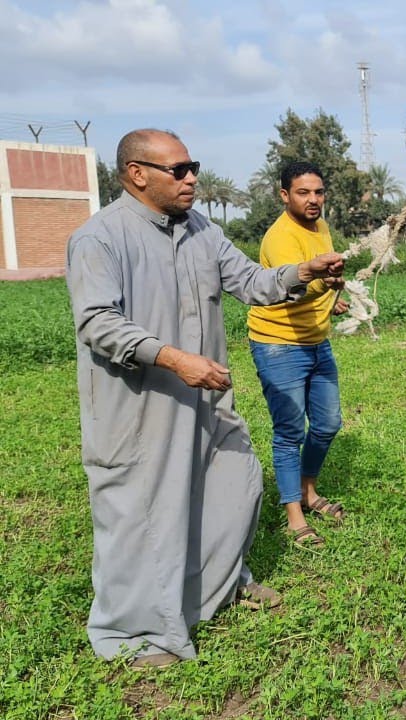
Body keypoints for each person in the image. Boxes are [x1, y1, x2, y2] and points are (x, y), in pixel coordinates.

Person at [66, 129, 344, 668]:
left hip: (206, 396)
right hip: (140, 402)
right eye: (179, 169)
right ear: (137, 174)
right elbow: (97, 322)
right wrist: (174, 358)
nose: (192, 176)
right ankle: (136, 634)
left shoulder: (202, 231)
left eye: (193, 165)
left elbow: (253, 282)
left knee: (233, 484)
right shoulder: (99, 238)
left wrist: (302, 273)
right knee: (139, 513)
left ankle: (218, 586)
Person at [247, 161, 350, 549]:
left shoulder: (320, 226)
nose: (313, 200)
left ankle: (309, 490)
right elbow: (295, 288)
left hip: (316, 340)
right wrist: (325, 285)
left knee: (327, 424)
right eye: (303, 193)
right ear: (284, 195)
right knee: (290, 431)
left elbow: (322, 283)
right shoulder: (280, 238)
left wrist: (333, 298)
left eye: (318, 192)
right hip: (278, 344)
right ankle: (294, 516)